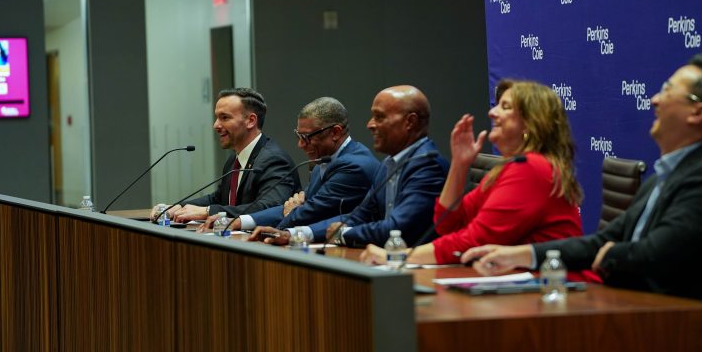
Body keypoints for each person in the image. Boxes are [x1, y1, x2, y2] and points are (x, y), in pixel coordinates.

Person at [465, 54, 702, 304]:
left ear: (697, 113)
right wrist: (518, 255)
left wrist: (611, 254)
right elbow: (601, 242)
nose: (654, 100)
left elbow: (656, 255)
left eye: (667, 91)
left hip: (677, 323)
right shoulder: (660, 179)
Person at [360, 80, 584, 266]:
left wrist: (397, 257)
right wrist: (459, 163)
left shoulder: (531, 169)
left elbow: (473, 240)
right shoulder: (508, 169)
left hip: (554, 288)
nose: (492, 112)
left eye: (505, 107)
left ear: (530, 123)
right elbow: (447, 224)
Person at [249, 85, 449, 247]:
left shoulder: (427, 165)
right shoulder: (388, 164)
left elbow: (397, 228)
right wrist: (294, 234)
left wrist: (343, 233)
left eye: (379, 117)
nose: (370, 124)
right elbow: (361, 215)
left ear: (410, 122)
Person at [150, 87, 301, 223]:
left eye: (225, 118)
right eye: (217, 117)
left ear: (250, 121)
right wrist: (178, 207)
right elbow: (219, 198)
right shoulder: (234, 159)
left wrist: (208, 211)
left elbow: (268, 207)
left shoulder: (274, 160)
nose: (216, 125)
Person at [229, 97, 379, 230]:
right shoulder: (321, 162)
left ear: (335, 132)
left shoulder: (354, 166)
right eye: (298, 136)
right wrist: (241, 221)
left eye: (306, 137)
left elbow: (311, 212)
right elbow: (299, 208)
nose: (300, 145)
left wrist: (286, 222)